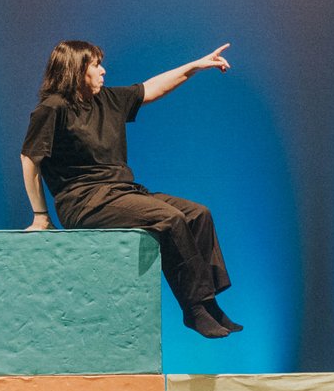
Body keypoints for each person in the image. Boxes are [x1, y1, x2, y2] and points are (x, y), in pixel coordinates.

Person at [18, 36, 240, 337]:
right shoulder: (53, 108)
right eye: (96, 65)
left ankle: (209, 303)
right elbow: (30, 157)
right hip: (84, 201)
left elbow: (153, 87)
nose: (103, 70)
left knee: (198, 214)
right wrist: (40, 215)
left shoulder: (107, 100)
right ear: (76, 69)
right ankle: (195, 308)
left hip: (122, 192)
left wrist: (197, 65)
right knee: (169, 218)